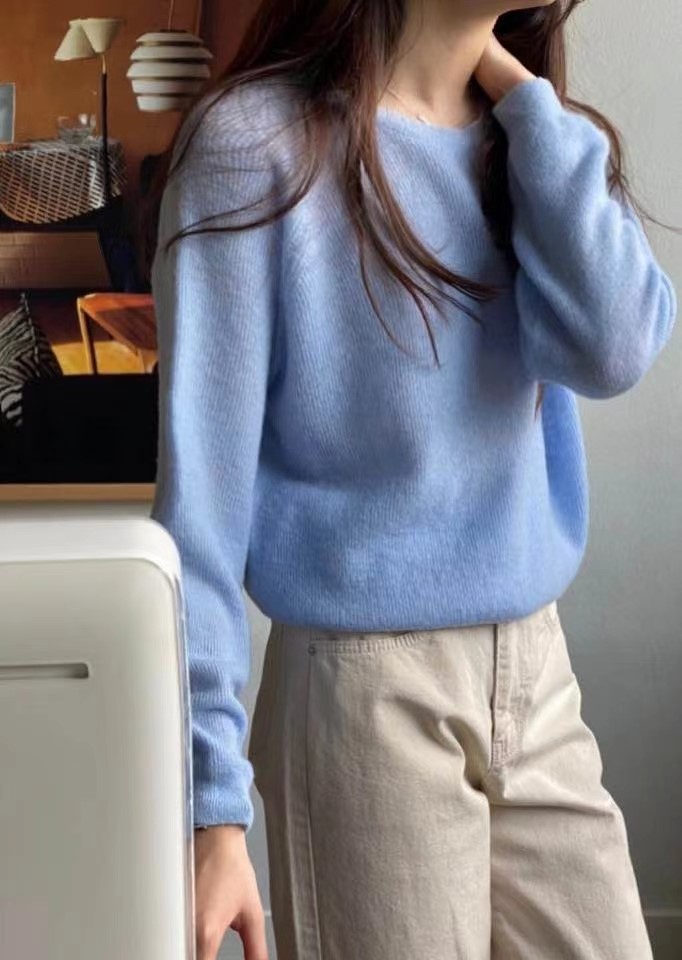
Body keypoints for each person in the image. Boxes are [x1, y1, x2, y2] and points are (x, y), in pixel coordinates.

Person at [149, 1, 677, 958]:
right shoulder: (254, 145)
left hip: (537, 673)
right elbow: (201, 516)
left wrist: (523, 101)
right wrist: (210, 811)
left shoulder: (526, 139)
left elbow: (615, 348)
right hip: (365, 693)